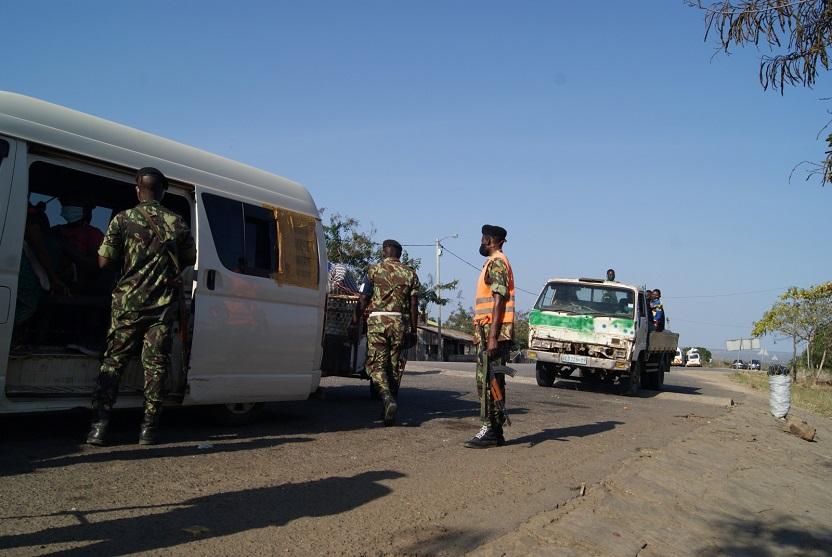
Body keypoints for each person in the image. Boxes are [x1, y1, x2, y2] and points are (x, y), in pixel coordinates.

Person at [86, 167, 196, 446]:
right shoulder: (177, 222)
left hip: (128, 305)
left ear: (138, 190)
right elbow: (189, 258)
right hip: (162, 306)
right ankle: (148, 430)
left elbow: (104, 262)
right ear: (162, 192)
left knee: (113, 363)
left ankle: (98, 428)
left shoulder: (122, 219)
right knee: (156, 367)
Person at [351, 240, 419, 426]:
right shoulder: (410, 273)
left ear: (383, 252)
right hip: (399, 323)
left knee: (376, 365)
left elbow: (363, 298)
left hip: (378, 322)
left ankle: (387, 398)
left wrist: (354, 322)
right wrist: (414, 330)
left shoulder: (373, 270)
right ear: (400, 254)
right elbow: (414, 304)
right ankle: (389, 409)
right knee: (394, 367)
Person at [466, 224, 515, 449]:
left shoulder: (497, 262)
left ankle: (490, 429)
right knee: (491, 379)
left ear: (489, 240)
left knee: (488, 380)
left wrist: (493, 336)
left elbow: (499, 300)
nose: (481, 242)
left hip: (492, 331)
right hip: (487, 330)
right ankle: (495, 431)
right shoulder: (493, 263)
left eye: (483, 238)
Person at [51, 199, 104, 294]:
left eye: (71, 204)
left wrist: (66, 247)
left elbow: (95, 265)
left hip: (77, 289)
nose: (66, 207)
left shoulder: (93, 233)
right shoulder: (56, 230)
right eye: (65, 204)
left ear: (85, 211)